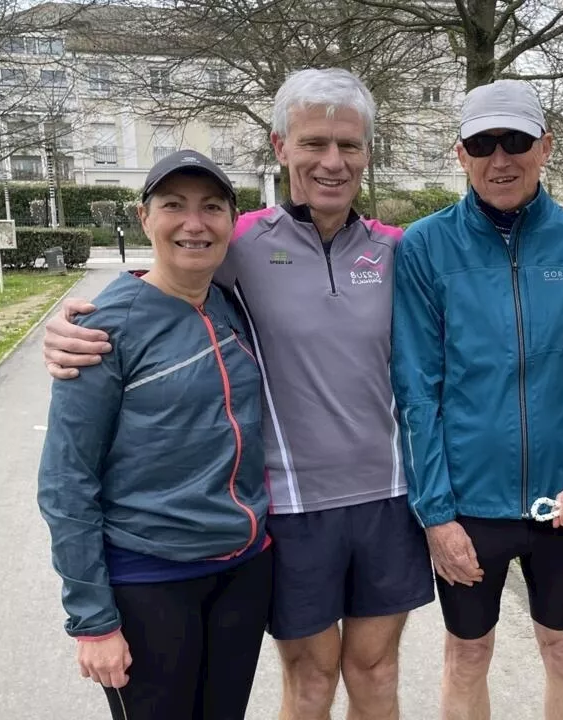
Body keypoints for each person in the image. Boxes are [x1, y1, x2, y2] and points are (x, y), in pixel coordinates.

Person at [40, 68, 434, 720]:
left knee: (377, 671)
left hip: (389, 499)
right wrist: (78, 326)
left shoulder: (399, 249)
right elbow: (168, 273)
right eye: (313, 143)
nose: (332, 162)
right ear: (281, 148)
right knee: (311, 681)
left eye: (350, 145)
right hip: (290, 505)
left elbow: (480, 266)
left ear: (368, 151)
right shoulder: (243, 240)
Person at [390, 79, 563, 720]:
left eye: (516, 140)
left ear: (544, 147)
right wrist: (436, 516)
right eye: (482, 143)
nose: (501, 158)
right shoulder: (424, 248)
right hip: (469, 504)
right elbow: (418, 392)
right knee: (467, 655)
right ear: (459, 153)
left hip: (562, 506)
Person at [37, 150, 272, 720]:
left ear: (230, 221)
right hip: (148, 579)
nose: (194, 223)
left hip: (240, 573)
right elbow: (66, 481)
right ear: (145, 218)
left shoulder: (234, 304)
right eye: (174, 206)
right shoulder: (102, 328)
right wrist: (92, 620)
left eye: (211, 207)